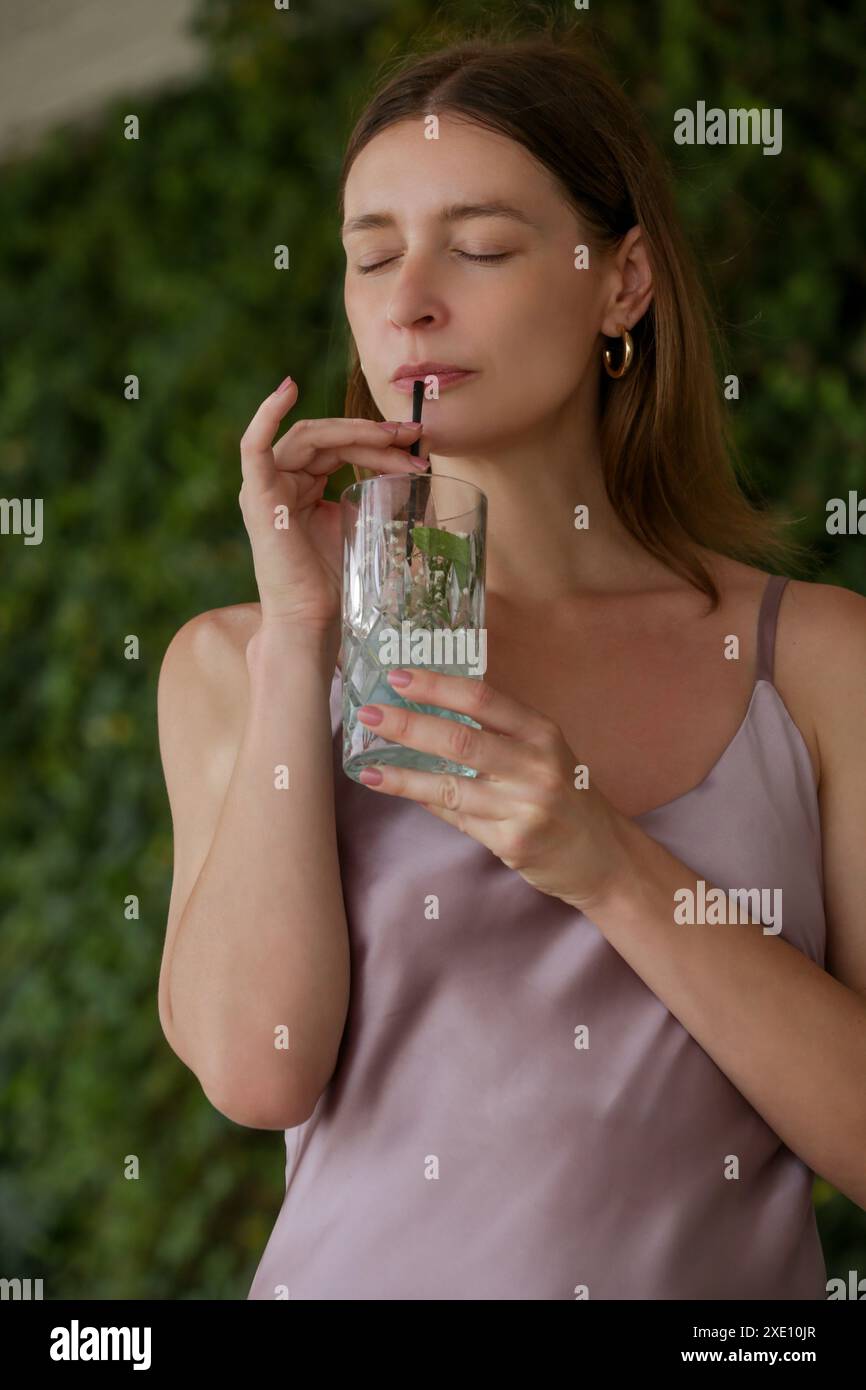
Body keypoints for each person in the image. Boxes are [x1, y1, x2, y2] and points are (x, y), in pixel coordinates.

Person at [156, 31, 866, 1300]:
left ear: (622, 283)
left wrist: (608, 864)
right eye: (369, 254)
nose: (407, 297)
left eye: (478, 247)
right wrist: (302, 635)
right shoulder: (240, 656)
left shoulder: (813, 659)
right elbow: (259, 1069)